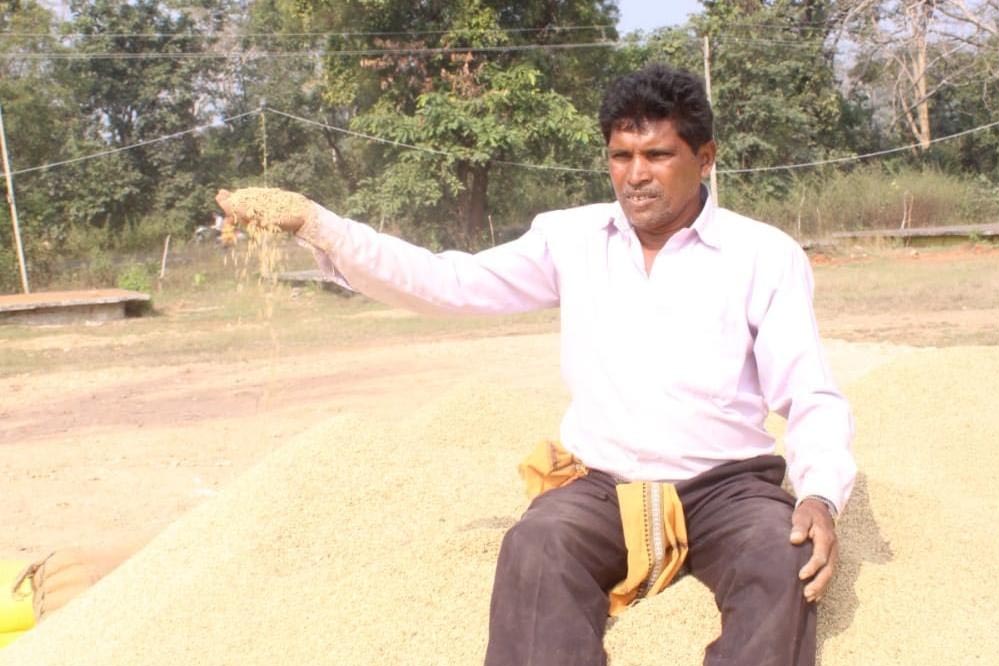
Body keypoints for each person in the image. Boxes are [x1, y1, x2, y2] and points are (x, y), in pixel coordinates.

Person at [216, 63, 855, 666]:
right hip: (602, 484)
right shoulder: (570, 239)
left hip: (727, 488)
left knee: (783, 560)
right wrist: (318, 224)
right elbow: (449, 282)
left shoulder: (763, 255)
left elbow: (809, 393)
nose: (636, 175)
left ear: (705, 157)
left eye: (658, 155)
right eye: (621, 156)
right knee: (536, 546)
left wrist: (820, 494)